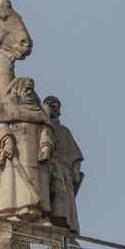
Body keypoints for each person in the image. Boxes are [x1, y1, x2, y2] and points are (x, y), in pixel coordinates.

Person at [0, 77, 53, 222]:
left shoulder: (39, 111)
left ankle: (34, 214)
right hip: (14, 151)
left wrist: (46, 146)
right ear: (17, 90)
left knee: (35, 182)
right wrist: (7, 140)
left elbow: (46, 130)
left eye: (31, 89)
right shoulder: (5, 107)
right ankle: (12, 212)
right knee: (13, 181)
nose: (29, 92)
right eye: (26, 89)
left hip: (34, 153)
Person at [43, 95, 84, 233]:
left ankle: (63, 225)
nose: (54, 109)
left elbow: (76, 156)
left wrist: (76, 171)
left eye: (57, 107)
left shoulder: (65, 131)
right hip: (47, 167)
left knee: (64, 202)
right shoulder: (40, 127)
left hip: (64, 170)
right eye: (51, 106)